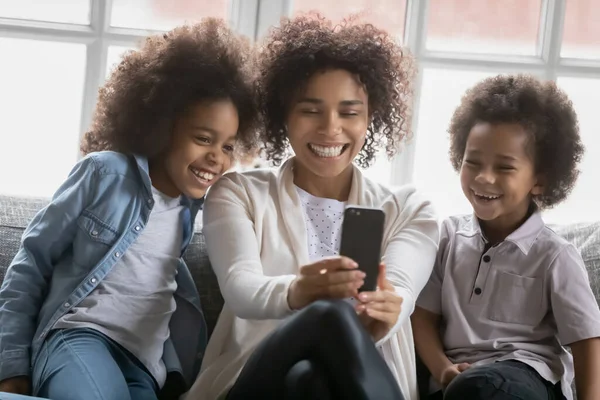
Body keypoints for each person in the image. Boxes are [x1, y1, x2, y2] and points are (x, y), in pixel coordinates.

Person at [183, 14, 439, 400]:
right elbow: (241, 288)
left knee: (310, 381)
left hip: (345, 385)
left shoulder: (410, 209)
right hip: (252, 382)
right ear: (283, 114)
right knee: (329, 314)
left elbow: (401, 290)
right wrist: (301, 291)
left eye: (350, 112)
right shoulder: (238, 193)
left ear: (371, 118)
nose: (330, 127)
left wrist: (385, 310)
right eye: (310, 109)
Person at [0, 19, 259, 400]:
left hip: (145, 364)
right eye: (203, 139)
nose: (216, 158)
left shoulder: (204, 208)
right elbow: (31, 263)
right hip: (79, 337)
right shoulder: (105, 173)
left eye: (228, 146)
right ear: (162, 125)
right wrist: (11, 365)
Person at [411, 74, 600, 400]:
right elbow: (422, 318)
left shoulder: (554, 255)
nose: (484, 178)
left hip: (525, 377)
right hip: (455, 380)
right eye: (473, 162)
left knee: (484, 387)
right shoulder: (447, 238)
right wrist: (442, 369)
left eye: (504, 168)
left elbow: (586, 342)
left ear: (539, 180)